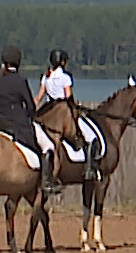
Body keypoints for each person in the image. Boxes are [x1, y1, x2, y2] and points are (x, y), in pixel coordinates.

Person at [0, 45, 60, 195]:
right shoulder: (21, 81)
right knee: (48, 146)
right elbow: (30, 105)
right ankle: (46, 182)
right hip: (18, 126)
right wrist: (30, 114)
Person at [38, 49, 98, 182]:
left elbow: (39, 97)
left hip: (48, 112)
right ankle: (88, 169)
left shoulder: (46, 77)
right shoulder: (65, 77)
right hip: (63, 112)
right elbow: (68, 97)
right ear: (63, 62)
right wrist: (77, 108)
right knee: (89, 136)